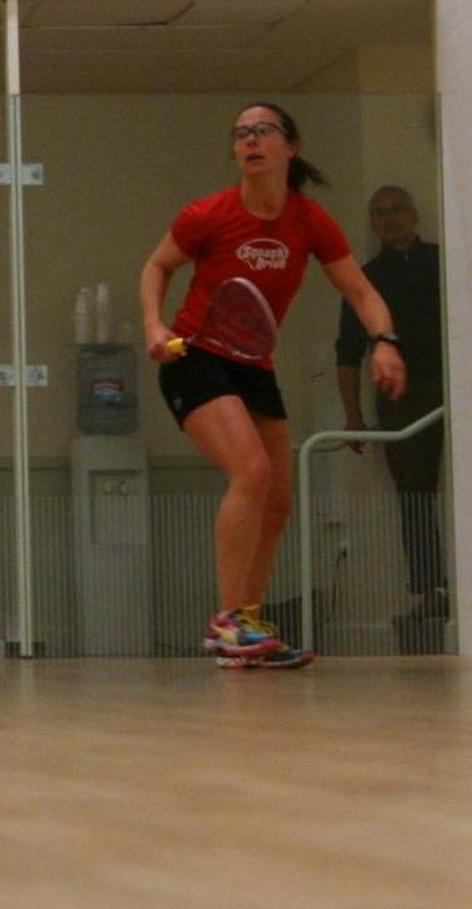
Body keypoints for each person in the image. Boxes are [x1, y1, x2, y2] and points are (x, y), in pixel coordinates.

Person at [138, 102, 406, 670]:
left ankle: (248, 626)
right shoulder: (207, 214)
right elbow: (157, 266)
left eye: (263, 131)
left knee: (278, 503)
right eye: (241, 134)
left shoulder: (310, 221)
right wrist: (154, 326)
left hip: (254, 367)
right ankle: (227, 624)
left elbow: (361, 292)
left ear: (291, 147)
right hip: (195, 360)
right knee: (252, 472)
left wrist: (385, 342)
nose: (250, 141)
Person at [335, 186, 447, 616]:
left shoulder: (443, 262)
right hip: (400, 398)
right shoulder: (365, 279)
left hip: (452, 386)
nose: (390, 218)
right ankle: (432, 590)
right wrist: (353, 416)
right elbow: (347, 353)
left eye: (397, 209)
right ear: (373, 223)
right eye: (380, 213)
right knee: (414, 493)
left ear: (414, 214)